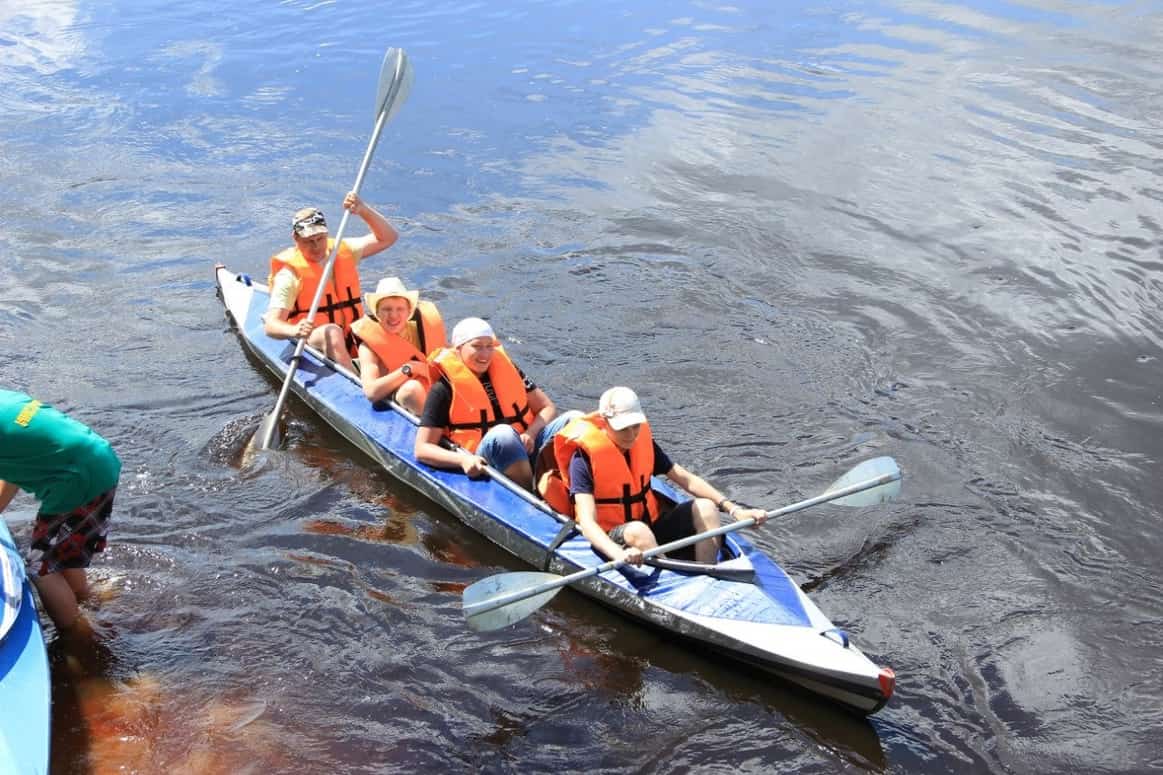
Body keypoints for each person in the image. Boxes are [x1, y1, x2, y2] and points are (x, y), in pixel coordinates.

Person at [540, 386, 766, 565]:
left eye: (635, 426)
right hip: (614, 534)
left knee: (706, 508)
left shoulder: (642, 441)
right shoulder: (583, 458)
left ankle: (708, 571)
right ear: (605, 422)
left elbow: (685, 479)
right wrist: (617, 554)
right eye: (623, 428)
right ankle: (670, 573)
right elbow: (588, 522)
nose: (631, 435)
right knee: (639, 531)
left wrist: (734, 510)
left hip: (650, 524)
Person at [0, 389, 120, 633]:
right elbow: (11, 470)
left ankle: (79, 637)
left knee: (41, 569)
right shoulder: (5, 401)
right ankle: (87, 601)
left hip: (76, 478)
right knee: (62, 556)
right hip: (98, 461)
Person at [414, 318, 579, 490]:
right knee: (504, 434)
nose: (485, 354)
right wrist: (463, 460)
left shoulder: (510, 370)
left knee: (575, 419)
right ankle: (531, 494)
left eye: (489, 346)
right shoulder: (444, 388)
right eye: (477, 346)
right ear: (459, 349)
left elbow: (547, 407)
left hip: (524, 445)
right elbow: (422, 449)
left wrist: (530, 433)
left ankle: (574, 488)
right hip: (487, 456)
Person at [263, 191, 398, 372]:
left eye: (320, 238)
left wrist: (363, 210)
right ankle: (354, 382)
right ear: (295, 239)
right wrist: (294, 331)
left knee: (394, 313)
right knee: (332, 332)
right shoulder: (289, 275)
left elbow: (388, 237)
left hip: (351, 332)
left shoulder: (342, 250)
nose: (316, 246)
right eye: (309, 241)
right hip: (314, 337)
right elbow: (271, 325)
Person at [350, 276, 446, 414]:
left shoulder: (423, 330)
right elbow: (371, 392)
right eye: (387, 309)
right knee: (412, 390)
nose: (393, 315)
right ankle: (435, 431)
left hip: (431, 387)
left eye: (400, 309)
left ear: (409, 312)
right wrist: (409, 368)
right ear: (377, 313)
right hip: (401, 393)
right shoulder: (368, 347)